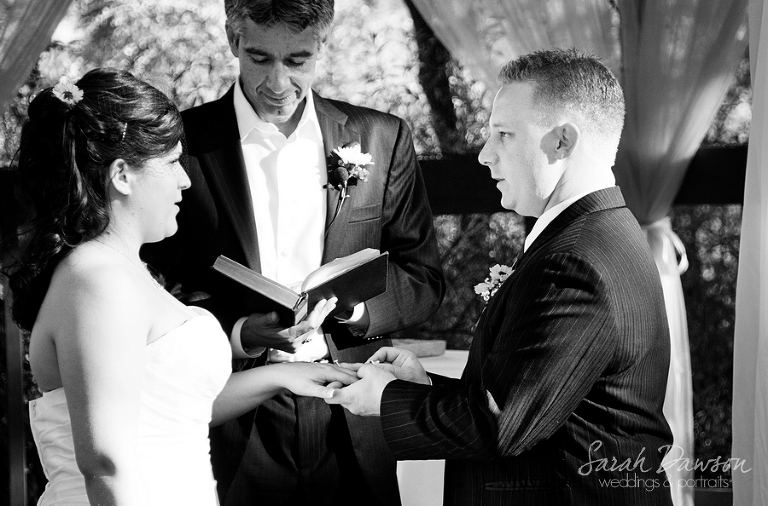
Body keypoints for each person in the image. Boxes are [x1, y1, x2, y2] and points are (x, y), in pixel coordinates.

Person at [328, 48, 675, 505]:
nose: (484, 155)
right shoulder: (605, 232)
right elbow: (535, 397)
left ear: (562, 141)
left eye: (504, 135)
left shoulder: (575, 262)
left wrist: (386, 397)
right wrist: (421, 389)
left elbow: (502, 423)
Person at [6, 68, 357, 506]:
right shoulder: (97, 282)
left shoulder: (122, 271)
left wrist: (283, 375)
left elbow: (171, 412)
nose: (185, 180)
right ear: (122, 175)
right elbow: (106, 463)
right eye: (172, 162)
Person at [141, 1, 445, 505]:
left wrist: (353, 307)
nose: (278, 82)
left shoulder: (381, 137)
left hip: (350, 403)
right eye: (260, 58)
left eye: (298, 60)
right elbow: (157, 281)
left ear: (322, 45)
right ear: (233, 40)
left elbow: (424, 278)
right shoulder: (182, 144)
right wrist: (240, 332)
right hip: (232, 409)